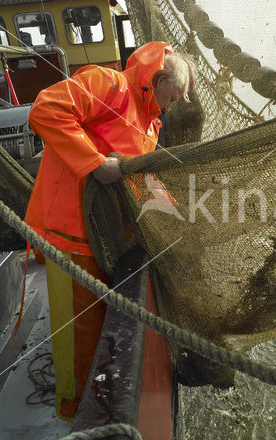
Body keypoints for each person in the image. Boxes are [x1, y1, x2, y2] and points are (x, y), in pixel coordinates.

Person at [24, 41, 196, 420]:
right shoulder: (109, 85)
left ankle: (99, 403)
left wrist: (179, 215)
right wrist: (93, 163)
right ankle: (74, 414)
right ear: (161, 77)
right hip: (68, 235)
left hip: (104, 240)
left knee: (99, 325)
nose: (177, 104)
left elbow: (142, 178)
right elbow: (46, 109)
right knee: (80, 332)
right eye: (177, 94)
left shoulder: (150, 123)